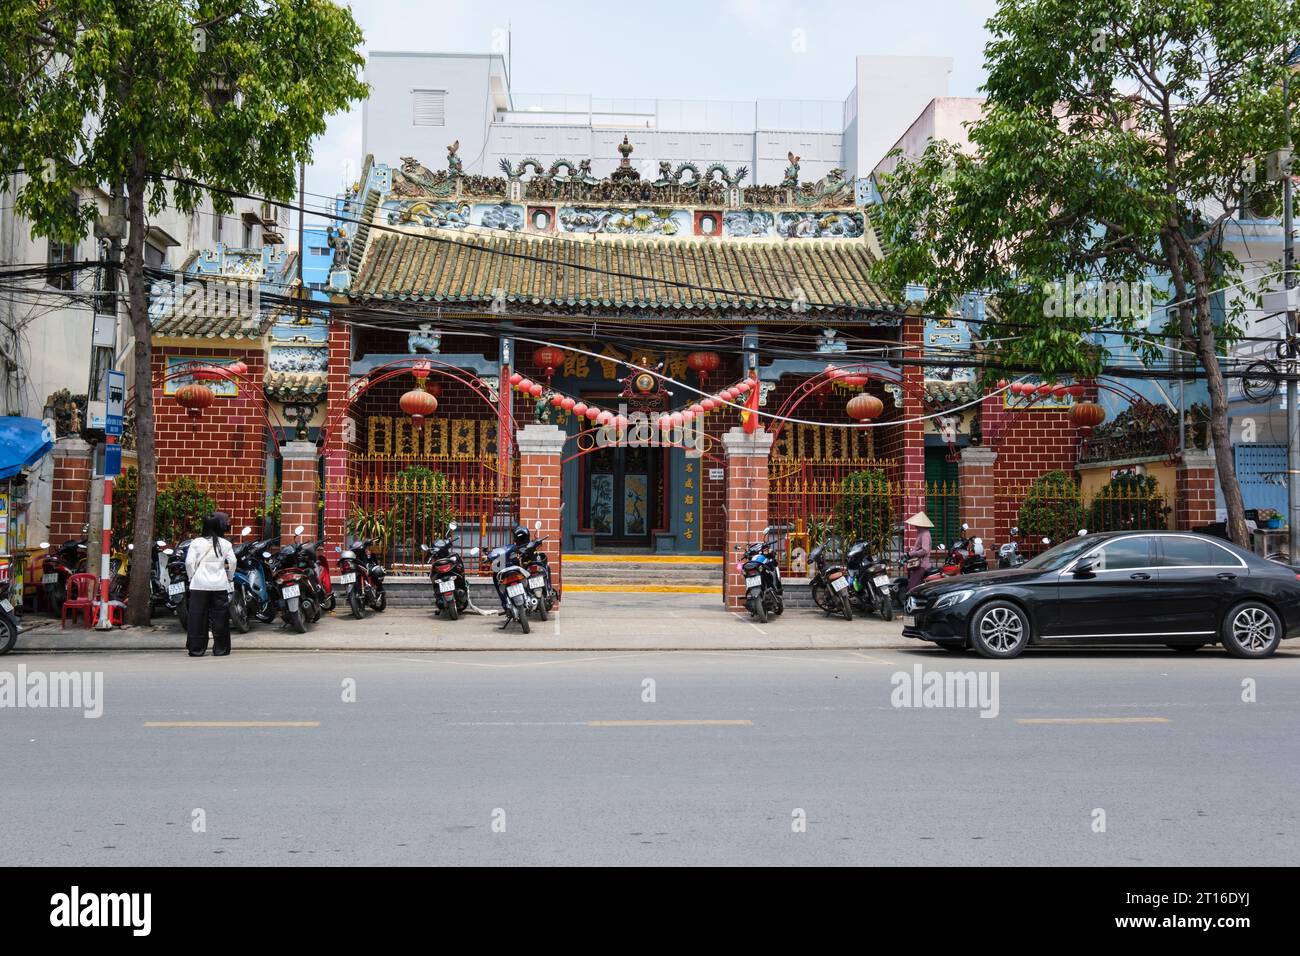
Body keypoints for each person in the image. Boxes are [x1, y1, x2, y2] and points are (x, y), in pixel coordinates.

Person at [185, 512, 237, 657]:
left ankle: (197, 649)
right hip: (219, 585)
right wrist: (229, 577)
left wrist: (192, 577)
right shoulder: (226, 544)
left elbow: (189, 563)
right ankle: (221, 649)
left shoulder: (196, 542)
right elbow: (232, 562)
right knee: (220, 618)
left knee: (197, 618)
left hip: (199, 584)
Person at [904, 512, 934, 591]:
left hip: (921, 565)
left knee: (912, 588)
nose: (915, 526)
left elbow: (925, 550)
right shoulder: (921, 533)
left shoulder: (925, 534)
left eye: (916, 524)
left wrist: (911, 554)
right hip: (918, 565)